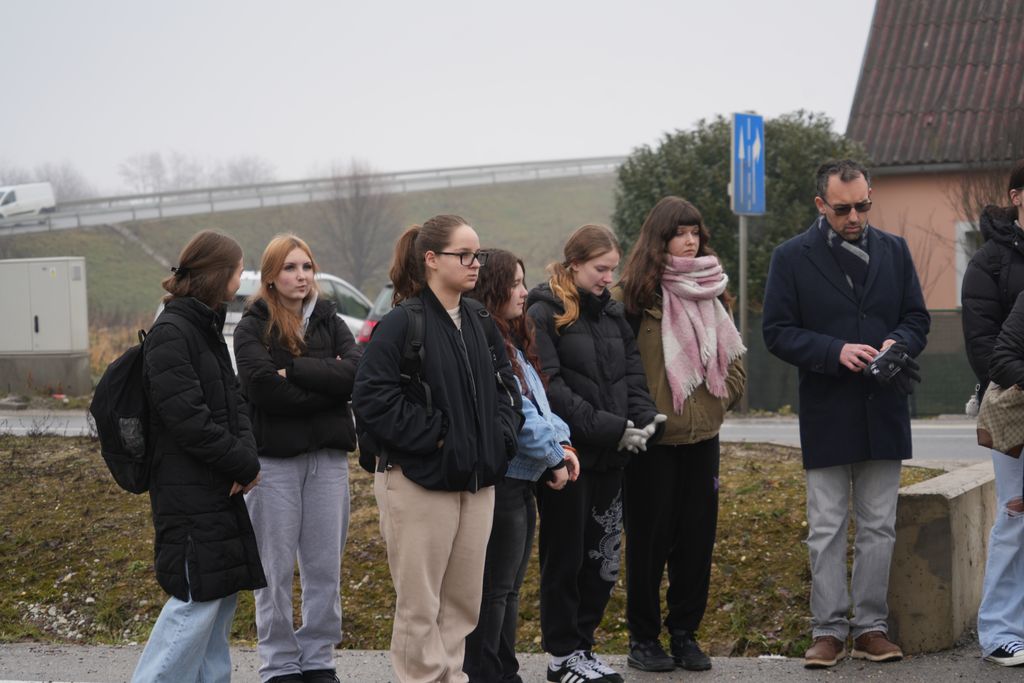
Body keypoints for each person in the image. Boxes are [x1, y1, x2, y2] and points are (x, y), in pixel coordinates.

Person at [762, 159, 930, 669]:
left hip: (885, 408)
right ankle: (828, 631)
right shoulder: (790, 257)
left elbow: (917, 318)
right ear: (821, 205)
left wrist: (896, 343)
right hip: (827, 408)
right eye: (842, 208)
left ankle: (871, 628)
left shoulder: (896, 251)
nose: (854, 216)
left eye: (863, 205)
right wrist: (834, 350)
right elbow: (776, 331)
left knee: (880, 525)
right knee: (827, 525)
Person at [352, 215, 523, 683]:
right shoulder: (401, 323)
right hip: (419, 484)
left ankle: (453, 677)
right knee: (420, 606)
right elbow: (371, 399)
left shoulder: (480, 321)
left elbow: (509, 390)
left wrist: (499, 438)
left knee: (462, 604)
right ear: (431, 260)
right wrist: (438, 437)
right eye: (464, 255)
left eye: (478, 254)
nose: (475, 264)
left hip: (478, 481)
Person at [613, 197, 746, 673]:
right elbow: (618, 373)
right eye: (679, 233)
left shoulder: (712, 289)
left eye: (695, 232)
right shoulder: (631, 299)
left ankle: (685, 634)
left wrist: (713, 402)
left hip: (701, 441)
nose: (690, 240)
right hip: (651, 444)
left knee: (695, 542)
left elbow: (735, 365)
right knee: (648, 544)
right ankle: (643, 639)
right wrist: (646, 413)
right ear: (660, 238)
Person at [527, 224, 665, 683]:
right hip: (570, 458)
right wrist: (613, 429)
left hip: (613, 455)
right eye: (599, 269)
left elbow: (632, 376)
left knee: (603, 560)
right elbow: (553, 389)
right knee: (565, 558)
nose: (609, 277)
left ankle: (582, 647)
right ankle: (561, 654)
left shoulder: (611, 315)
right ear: (573, 266)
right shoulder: (543, 312)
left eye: (612, 268)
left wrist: (646, 421)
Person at [131, 230, 265, 683]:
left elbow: (235, 404)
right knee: (194, 604)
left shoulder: (205, 327)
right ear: (218, 273)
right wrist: (241, 463)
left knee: (218, 604)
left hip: (215, 488)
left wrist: (245, 459)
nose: (242, 276)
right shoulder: (173, 332)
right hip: (189, 493)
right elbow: (188, 419)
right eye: (238, 266)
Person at [233, 234, 361, 683]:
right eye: (290, 267)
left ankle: (318, 658)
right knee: (274, 569)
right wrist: (327, 393)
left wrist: (300, 372)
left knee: (325, 567)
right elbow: (262, 387)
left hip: (327, 461)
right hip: (274, 465)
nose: (301, 276)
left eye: (307, 266)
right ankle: (280, 663)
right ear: (271, 275)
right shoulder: (253, 325)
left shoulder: (330, 319)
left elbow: (357, 374)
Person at [463, 249, 581, 683]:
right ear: (492, 289)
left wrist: (563, 443)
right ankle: (486, 672)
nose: (521, 292)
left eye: (522, 281)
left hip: (524, 478)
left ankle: (503, 669)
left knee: (509, 589)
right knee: (494, 590)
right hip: (507, 479)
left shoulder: (513, 341)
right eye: (513, 284)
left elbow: (541, 407)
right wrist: (554, 456)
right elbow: (520, 415)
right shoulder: (489, 342)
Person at [962, 158, 1024, 667]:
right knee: (1016, 514)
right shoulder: (989, 263)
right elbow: (985, 347)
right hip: (1011, 408)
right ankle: (1001, 631)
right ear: (1018, 196)